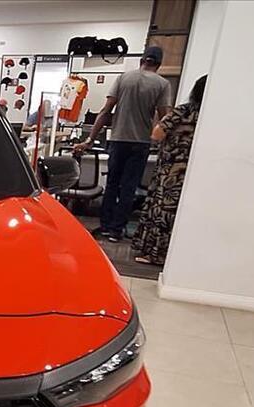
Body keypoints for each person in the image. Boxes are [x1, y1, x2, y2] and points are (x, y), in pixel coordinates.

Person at [74, 46, 172, 242]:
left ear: (142, 60)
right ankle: (116, 231)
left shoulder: (123, 78)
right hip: (140, 142)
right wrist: (165, 144)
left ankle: (105, 226)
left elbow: (105, 111)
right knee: (128, 187)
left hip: (118, 140)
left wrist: (90, 139)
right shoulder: (162, 84)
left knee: (112, 184)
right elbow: (165, 118)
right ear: (159, 64)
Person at [131, 75, 207, 265]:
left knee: (161, 210)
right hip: (194, 168)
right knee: (178, 212)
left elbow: (157, 134)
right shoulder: (210, 116)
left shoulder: (184, 111)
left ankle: (154, 253)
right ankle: (171, 255)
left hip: (171, 168)